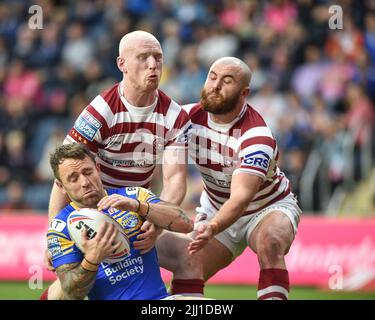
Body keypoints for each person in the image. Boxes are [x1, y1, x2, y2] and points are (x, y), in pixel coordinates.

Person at [43, 30, 203, 299]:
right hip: (92, 209)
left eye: (157, 57)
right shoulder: (99, 112)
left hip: (136, 207)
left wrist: (157, 222)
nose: (153, 64)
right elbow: (66, 171)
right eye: (143, 57)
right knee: (70, 289)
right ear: (122, 64)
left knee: (189, 257)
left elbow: (175, 181)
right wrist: (55, 236)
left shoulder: (175, 116)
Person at [184, 57, 301, 300]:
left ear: (244, 92)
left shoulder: (256, 137)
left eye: (227, 81)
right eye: (212, 77)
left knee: (271, 243)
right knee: (187, 272)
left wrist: (213, 227)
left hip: (266, 207)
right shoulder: (184, 118)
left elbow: (241, 198)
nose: (216, 86)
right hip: (215, 206)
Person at [45, 143, 194, 300]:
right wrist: (92, 258)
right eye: (73, 179)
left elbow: (186, 224)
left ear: (98, 169)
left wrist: (140, 207)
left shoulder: (132, 196)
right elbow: (71, 293)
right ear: (61, 186)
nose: (85, 182)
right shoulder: (60, 227)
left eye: (88, 172)